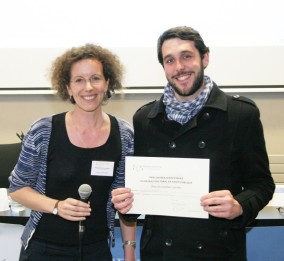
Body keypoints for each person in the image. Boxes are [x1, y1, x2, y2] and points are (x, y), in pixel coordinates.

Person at [111, 26, 275, 260]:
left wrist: (239, 205)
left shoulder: (240, 114)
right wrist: (127, 203)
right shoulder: (146, 119)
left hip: (218, 249)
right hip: (160, 252)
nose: (179, 67)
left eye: (186, 56)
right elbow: (143, 195)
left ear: (205, 57)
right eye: (170, 60)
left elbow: (261, 184)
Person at [9, 43, 136, 261]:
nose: (88, 87)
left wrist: (129, 252)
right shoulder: (44, 130)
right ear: (68, 88)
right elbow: (17, 188)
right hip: (44, 248)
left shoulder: (124, 135)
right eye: (79, 80)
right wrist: (56, 206)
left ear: (107, 83)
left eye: (95, 78)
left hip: (96, 249)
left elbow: (126, 201)